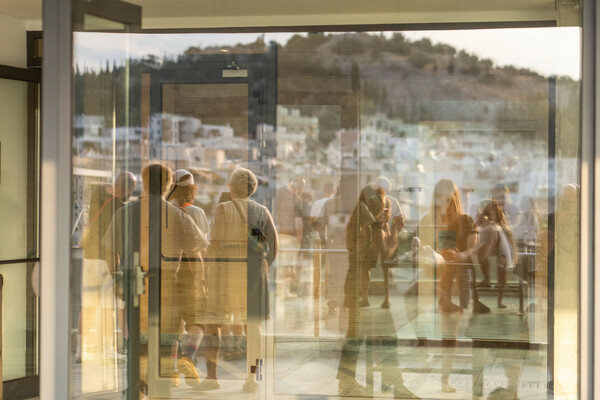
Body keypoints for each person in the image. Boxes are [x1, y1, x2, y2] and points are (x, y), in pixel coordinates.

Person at [104, 163, 206, 390]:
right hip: (167, 281)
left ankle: (138, 386)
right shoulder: (177, 215)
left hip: (134, 279)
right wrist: (200, 284)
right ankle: (155, 385)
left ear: (144, 181)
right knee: (163, 339)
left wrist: (117, 275)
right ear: (168, 184)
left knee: (138, 337)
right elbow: (195, 255)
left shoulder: (125, 212)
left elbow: (109, 249)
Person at [200, 168, 278, 392]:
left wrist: (206, 274)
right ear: (252, 189)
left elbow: (214, 244)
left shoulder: (223, 208)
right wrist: (263, 266)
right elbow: (273, 246)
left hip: (225, 272)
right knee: (252, 326)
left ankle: (212, 378)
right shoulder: (263, 211)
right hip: (253, 272)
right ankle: (251, 380)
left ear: (231, 187)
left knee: (213, 323)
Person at [337, 184, 417, 398]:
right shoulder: (370, 225)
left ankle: (346, 382)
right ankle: (396, 386)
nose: (384, 210)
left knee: (355, 336)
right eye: (382, 206)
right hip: (369, 291)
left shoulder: (358, 223)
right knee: (385, 338)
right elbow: (385, 254)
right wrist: (396, 231)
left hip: (357, 286)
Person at [417, 179, 476, 393]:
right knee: (426, 325)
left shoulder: (465, 221)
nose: (445, 204)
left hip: (455, 282)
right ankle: (437, 373)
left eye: (448, 199)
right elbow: (421, 248)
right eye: (441, 199)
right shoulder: (428, 220)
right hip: (433, 280)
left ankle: (444, 379)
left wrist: (458, 255)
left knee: (450, 334)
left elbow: (472, 250)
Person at [77, 171, 136, 365]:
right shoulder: (120, 207)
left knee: (88, 306)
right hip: (106, 260)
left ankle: (80, 351)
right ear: (128, 188)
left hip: (88, 257)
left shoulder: (97, 194)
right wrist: (116, 269)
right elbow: (116, 242)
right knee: (109, 308)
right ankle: (108, 350)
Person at [453, 199, 518, 309]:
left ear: (493, 216)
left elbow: (479, 254)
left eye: (485, 213)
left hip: (497, 271)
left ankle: (471, 301)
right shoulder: (499, 228)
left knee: (463, 269)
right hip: (504, 269)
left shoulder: (490, 229)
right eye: (479, 212)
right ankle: (491, 301)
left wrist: (460, 257)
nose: (480, 216)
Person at [274, 176, 305, 297]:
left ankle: (280, 289)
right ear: (299, 187)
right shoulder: (295, 200)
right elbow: (298, 222)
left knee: (282, 263)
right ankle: (286, 291)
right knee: (289, 263)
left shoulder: (280, 193)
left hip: (280, 233)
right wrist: (300, 237)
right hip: (291, 235)